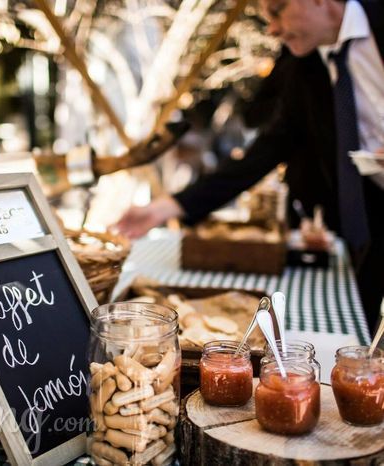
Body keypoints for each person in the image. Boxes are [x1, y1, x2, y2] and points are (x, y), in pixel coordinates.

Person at [115, 0, 384, 334]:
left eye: (277, 10)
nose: (271, 28)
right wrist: (170, 206)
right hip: (366, 221)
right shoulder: (303, 65)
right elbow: (265, 152)